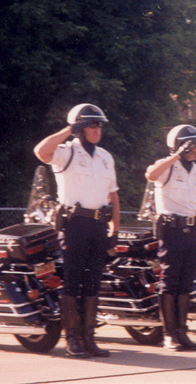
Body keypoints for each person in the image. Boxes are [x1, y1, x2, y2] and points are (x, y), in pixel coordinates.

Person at [34, 103, 120, 358]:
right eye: (92, 125)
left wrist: (115, 230)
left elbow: (113, 196)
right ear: (80, 128)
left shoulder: (105, 157)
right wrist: (69, 129)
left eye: (99, 125)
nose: (97, 130)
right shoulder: (66, 152)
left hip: (98, 225)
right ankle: (72, 339)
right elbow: (40, 151)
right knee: (72, 281)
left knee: (93, 282)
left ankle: (89, 338)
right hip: (75, 225)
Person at [145, 124, 196, 351]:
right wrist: (176, 155)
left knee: (186, 283)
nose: (195, 149)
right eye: (190, 145)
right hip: (172, 230)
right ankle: (169, 334)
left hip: (193, 232)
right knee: (170, 282)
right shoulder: (168, 167)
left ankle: (182, 332)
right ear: (178, 146)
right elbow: (150, 175)